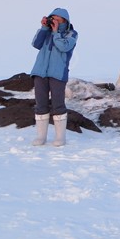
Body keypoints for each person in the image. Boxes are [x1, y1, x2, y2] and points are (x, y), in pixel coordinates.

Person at [30, 8, 78, 146]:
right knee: (41, 105)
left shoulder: (71, 34)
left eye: (58, 18)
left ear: (65, 20)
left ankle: (60, 138)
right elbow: (35, 44)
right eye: (53, 18)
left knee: (58, 104)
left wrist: (56, 32)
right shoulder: (47, 32)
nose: (54, 21)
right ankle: (41, 137)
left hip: (58, 73)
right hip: (40, 72)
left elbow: (64, 47)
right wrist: (44, 28)